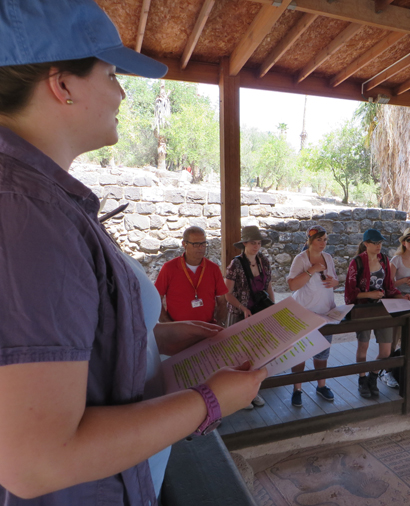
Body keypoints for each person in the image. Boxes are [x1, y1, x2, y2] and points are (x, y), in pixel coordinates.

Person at [0, 1, 266, 504]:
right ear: (62, 85)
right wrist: (210, 401)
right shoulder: (26, 213)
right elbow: (36, 461)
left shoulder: (46, 199)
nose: (122, 90)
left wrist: (154, 334)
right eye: (111, 73)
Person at [345, 229, 410, 398]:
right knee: (363, 346)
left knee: (386, 351)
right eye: (375, 243)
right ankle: (362, 379)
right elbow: (349, 293)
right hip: (363, 310)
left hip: (382, 310)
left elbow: (389, 287)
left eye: (380, 243)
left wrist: (401, 296)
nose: (378, 246)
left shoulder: (384, 260)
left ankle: (373, 376)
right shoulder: (356, 263)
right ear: (366, 244)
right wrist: (369, 295)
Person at [286, 226, 339, 407]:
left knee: (322, 354)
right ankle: (297, 389)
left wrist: (335, 282)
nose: (323, 243)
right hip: (304, 315)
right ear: (310, 241)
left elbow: (335, 280)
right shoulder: (301, 259)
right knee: (300, 354)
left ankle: (321, 385)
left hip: (326, 313)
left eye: (325, 240)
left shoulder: (329, 258)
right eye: (319, 240)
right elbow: (292, 285)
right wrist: (312, 270)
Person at [224, 225, 275, 410]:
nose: (256, 246)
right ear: (244, 243)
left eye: (259, 243)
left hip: (259, 312)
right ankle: (239, 395)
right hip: (240, 315)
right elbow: (227, 294)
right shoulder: (235, 264)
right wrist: (242, 307)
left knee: (256, 355)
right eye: (253, 243)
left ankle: (252, 392)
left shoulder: (264, 262)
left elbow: (268, 287)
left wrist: (272, 307)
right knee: (238, 356)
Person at [154, 226, 229, 324]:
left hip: (207, 329)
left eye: (203, 244)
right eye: (196, 244)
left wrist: (219, 325)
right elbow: (156, 299)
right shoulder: (169, 268)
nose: (201, 248)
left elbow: (222, 302)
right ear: (184, 244)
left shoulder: (213, 268)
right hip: (178, 331)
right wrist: (168, 325)